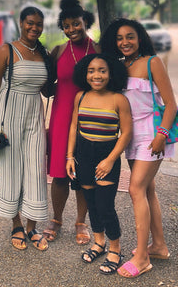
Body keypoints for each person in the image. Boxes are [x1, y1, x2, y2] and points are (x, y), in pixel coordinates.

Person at [100, 18, 177, 278]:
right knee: (148, 189)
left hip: (152, 136)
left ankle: (143, 258)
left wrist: (162, 135)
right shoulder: (120, 66)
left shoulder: (152, 62)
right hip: (131, 136)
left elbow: (171, 104)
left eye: (130, 36)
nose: (125, 42)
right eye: (120, 38)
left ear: (140, 37)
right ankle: (159, 246)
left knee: (135, 189)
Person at [0, 6, 53, 251]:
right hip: (8, 116)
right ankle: (16, 224)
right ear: (21, 23)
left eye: (38, 24)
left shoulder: (44, 53)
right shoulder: (6, 51)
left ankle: (32, 226)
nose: (34, 28)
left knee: (36, 169)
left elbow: (46, 89)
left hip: (34, 115)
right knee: (10, 169)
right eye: (30, 23)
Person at [66, 53, 133, 274]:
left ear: (111, 73)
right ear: (84, 74)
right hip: (83, 155)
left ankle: (115, 248)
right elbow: (74, 126)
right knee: (91, 203)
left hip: (107, 156)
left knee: (105, 206)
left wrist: (110, 160)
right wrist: (69, 156)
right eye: (91, 71)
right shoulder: (81, 96)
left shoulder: (119, 99)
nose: (97, 75)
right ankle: (99, 242)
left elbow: (126, 133)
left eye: (102, 70)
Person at [43, 0, 99, 245]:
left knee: (85, 172)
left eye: (76, 23)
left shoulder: (98, 51)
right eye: (66, 26)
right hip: (62, 117)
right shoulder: (58, 51)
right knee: (59, 174)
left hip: (90, 118)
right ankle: (56, 219)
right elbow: (47, 89)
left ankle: (80, 222)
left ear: (85, 21)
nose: (71, 29)